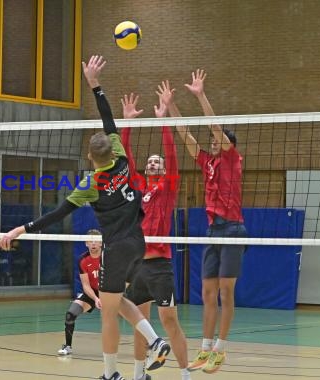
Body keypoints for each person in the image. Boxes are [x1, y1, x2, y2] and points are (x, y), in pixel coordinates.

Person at [0, 55, 170, 380]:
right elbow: (109, 120)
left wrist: (22, 228)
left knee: (111, 306)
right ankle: (132, 358)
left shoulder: (91, 183)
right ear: (111, 149)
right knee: (115, 302)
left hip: (117, 247)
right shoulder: (120, 157)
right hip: (140, 242)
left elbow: (58, 213)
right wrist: (95, 84)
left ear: (90, 156)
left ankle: (142, 350)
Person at [173, 69, 247, 374]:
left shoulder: (232, 158)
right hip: (213, 230)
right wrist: (170, 109)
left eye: (218, 139)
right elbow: (186, 137)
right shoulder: (208, 162)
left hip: (232, 229)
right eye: (212, 141)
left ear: (227, 143)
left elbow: (214, 127)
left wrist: (200, 95)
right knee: (207, 293)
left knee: (226, 293)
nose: (212, 141)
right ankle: (204, 349)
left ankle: (221, 349)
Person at [121, 85, 191, 380]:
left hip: (159, 265)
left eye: (157, 161)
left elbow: (172, 154)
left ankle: (185, 374)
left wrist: (163, 119)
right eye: (150, 161)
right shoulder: (138, 187)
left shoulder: (169, 187)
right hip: (137, 264)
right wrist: (127, 123)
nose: (153, 163)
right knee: (140, 322)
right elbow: (125, 160)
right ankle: (139, 375)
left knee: (170, 321)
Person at [57, 229, 102, 356]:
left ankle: (149, 343)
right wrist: (96, 299)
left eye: (96, 241)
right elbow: (86, 285)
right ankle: (68, 346)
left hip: (109, 291)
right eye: (90, 241)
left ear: (101, 243)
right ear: (86, 243)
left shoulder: (107, 256)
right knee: (70, 314)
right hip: (92, 293)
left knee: (131, 314)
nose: (93, 243)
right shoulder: (83, 260)